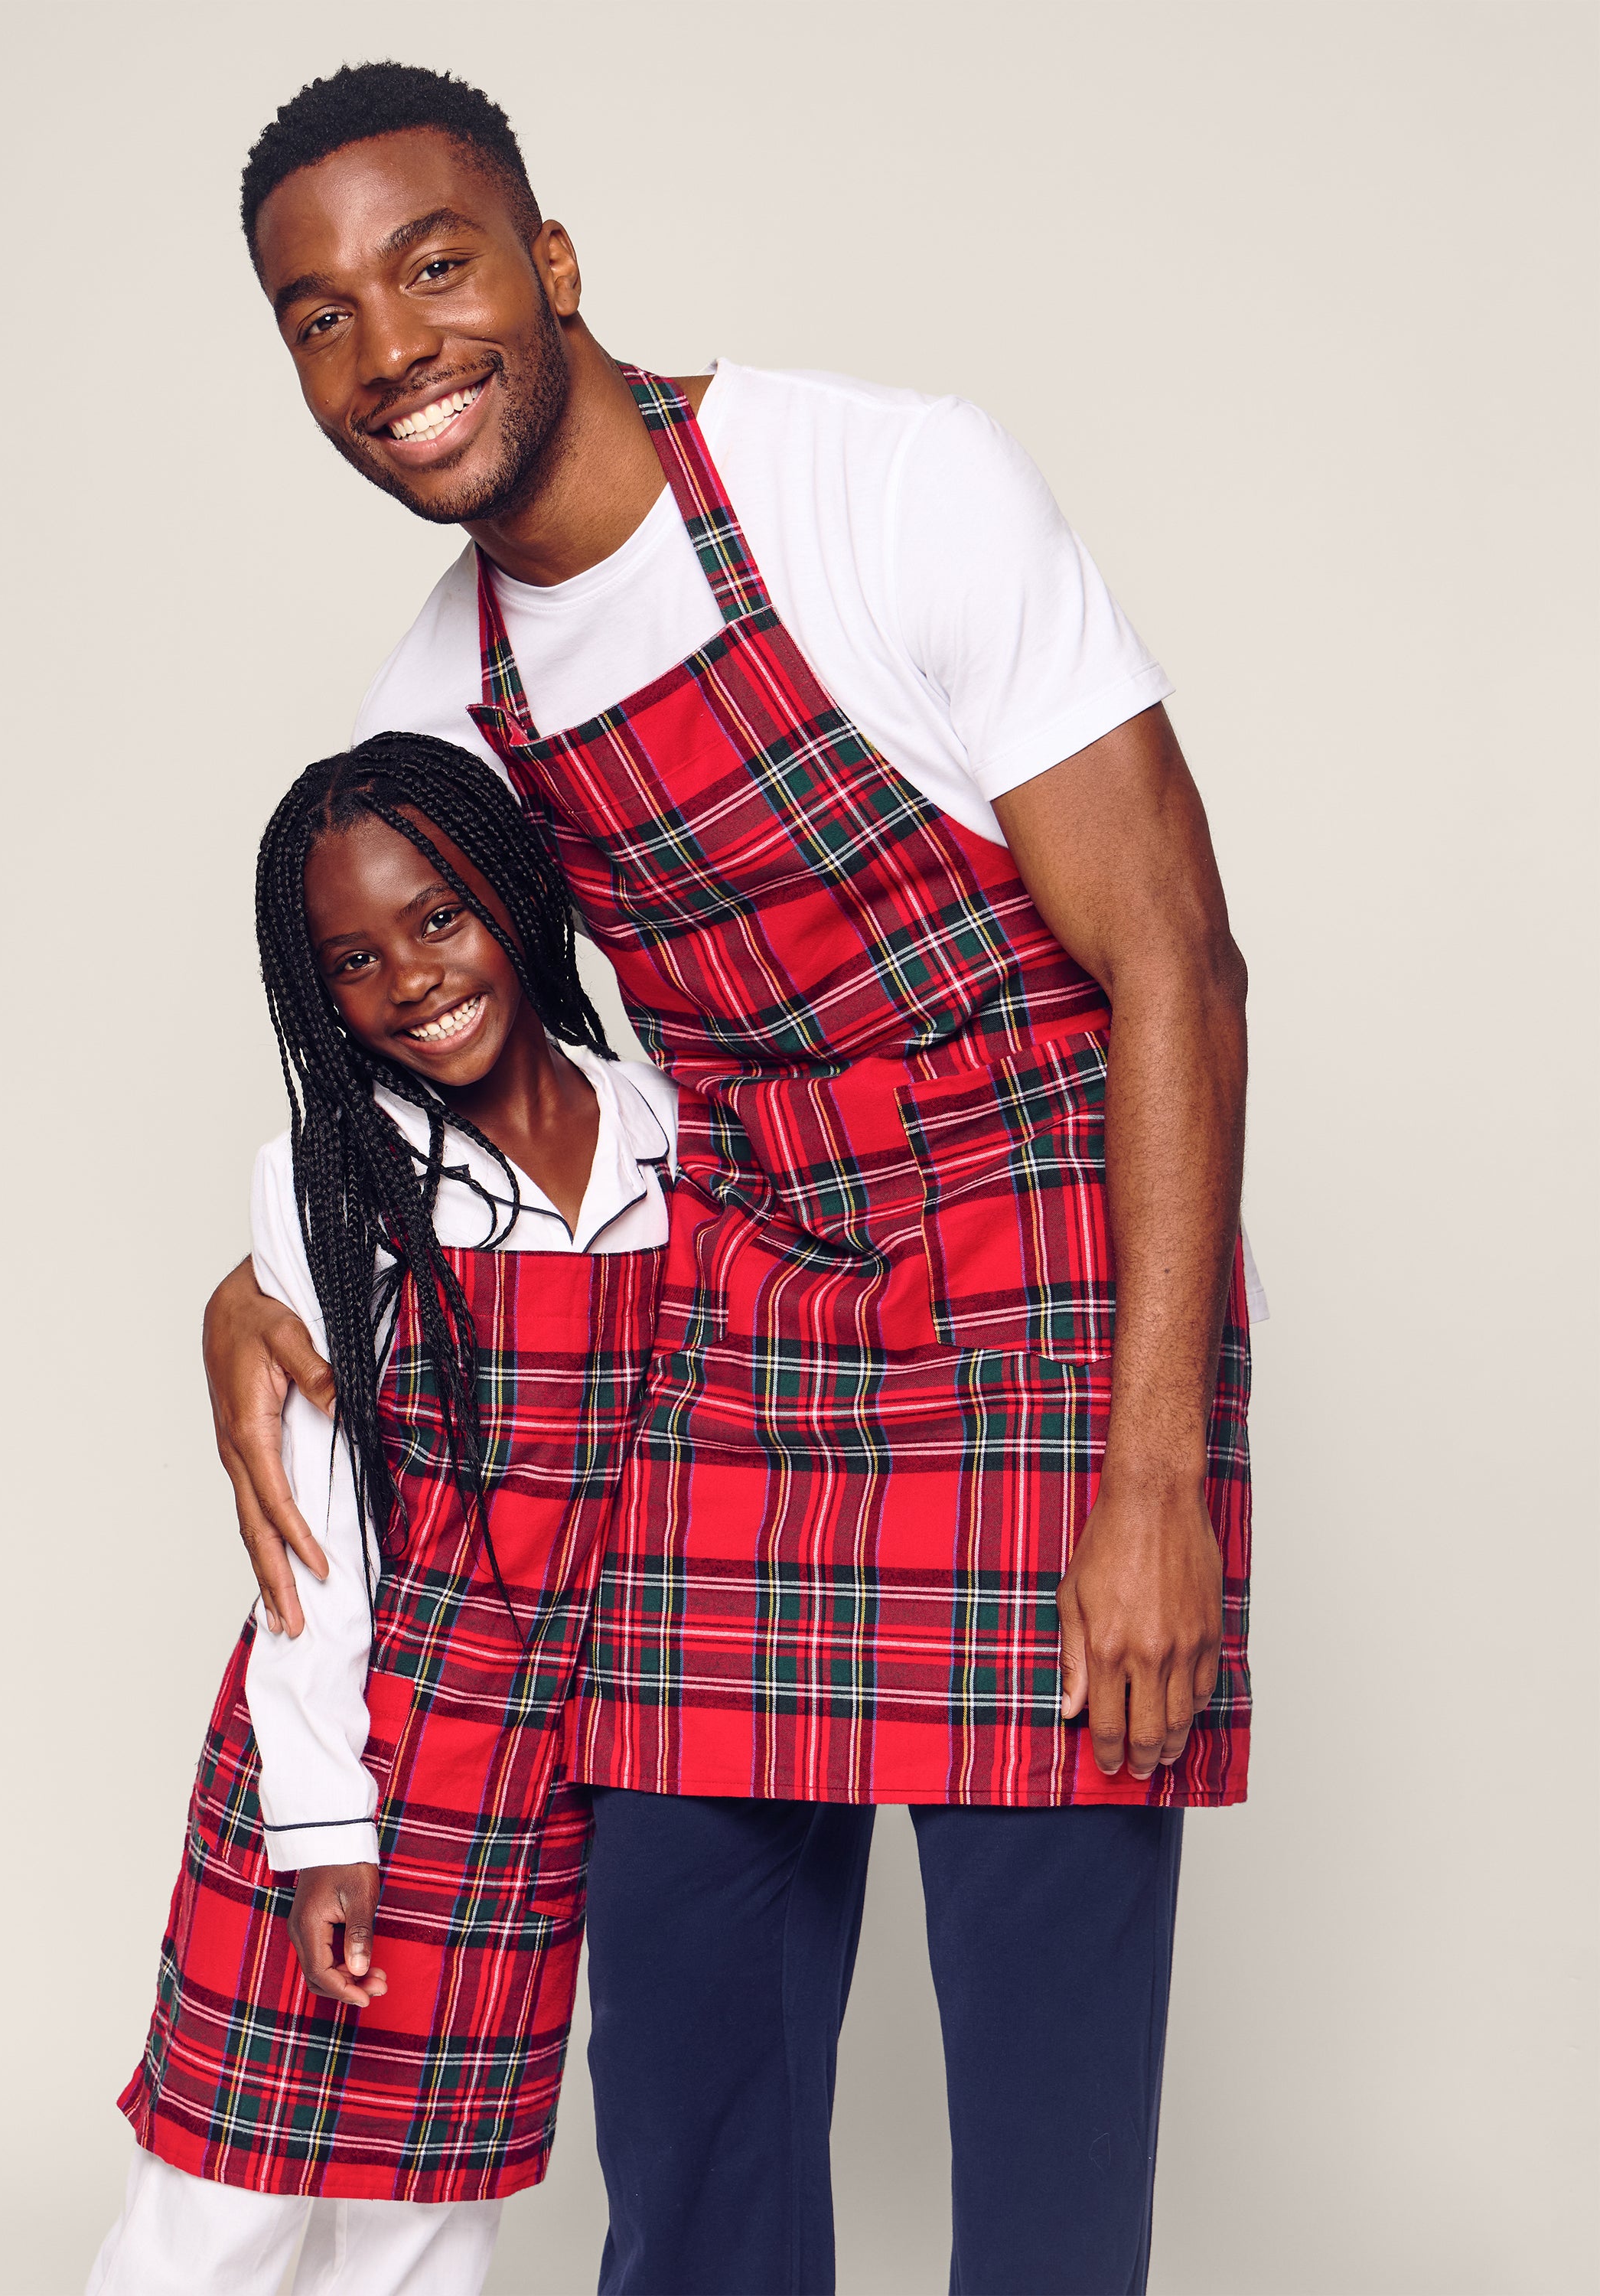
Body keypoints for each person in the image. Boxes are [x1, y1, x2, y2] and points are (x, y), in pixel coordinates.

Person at [203, 62, 1263, 2295]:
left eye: (433, 266)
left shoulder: (882, 485)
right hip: (750, 1325)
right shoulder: (449, 690)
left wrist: (1156, 1468)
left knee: (1048, 2134)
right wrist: (244, 1275)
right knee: (683, 2076)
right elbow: (404, 1050)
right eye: (317, 317)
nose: (387, 351)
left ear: (552, 266)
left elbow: (1172, 950)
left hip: (1054, 1307)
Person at [90, 734, 676, 2295]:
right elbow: (315, 1542)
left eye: (437, 918)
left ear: (514, 892)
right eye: (351, 959)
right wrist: (321, 1824)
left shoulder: (669, 1136)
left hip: (538, 1775)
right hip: (348, 1731)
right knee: (215, 2204)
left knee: (430, 2216)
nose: (410, 979)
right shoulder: (336, 1176)